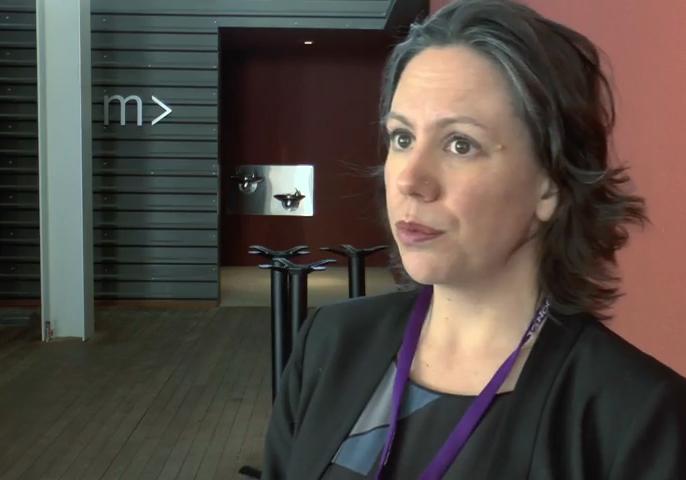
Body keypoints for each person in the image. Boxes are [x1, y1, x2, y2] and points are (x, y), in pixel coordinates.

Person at [262, 0, 686, 478]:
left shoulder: (636, 419)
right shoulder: (331, 343)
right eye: (402, 138)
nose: (410, 180)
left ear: (550, 184)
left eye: (460, 144)